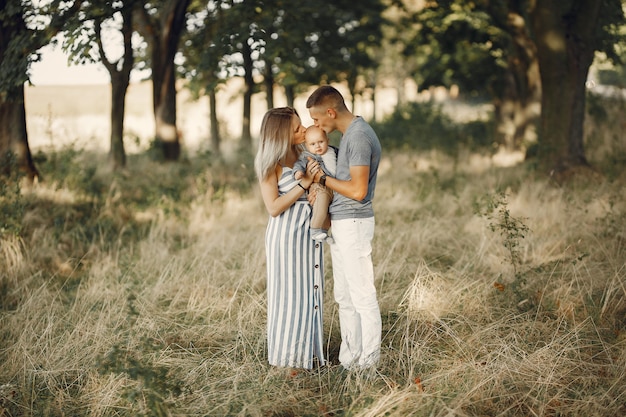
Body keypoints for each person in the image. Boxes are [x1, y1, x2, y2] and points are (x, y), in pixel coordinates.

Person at [306, 85, 382, 370]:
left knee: (362, 294)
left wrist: (323, 180)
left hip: (354, 221)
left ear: (330, 112)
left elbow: (359, 190)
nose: (316, 126)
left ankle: (369, 365)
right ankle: (350, 361)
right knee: (344, 296)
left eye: (316, 120)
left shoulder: (359, 136)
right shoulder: (349, 136)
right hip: (341, 222)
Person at [254, 106, 326, 370]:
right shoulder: (268, 164)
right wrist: (303, 185)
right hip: (285, 239)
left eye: (301, 124)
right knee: (289, 297)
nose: (304, 129)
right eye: (297, 128)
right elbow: (273, 208)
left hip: (308, 235)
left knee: (311, 292)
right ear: (281, 134)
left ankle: (310, 356)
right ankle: (288, 360)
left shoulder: (303, 154)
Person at [293, 125, 337, 243]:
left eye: (321, 142)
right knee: (321, 207)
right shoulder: (308, 156)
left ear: (327, 140)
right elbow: (299, 164)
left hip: (335, 187)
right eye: (312, 144)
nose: (317, 146)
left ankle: (324, 232)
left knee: (330, 211)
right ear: (307, 146)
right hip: (320, 187)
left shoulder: (334, 151)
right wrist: (298, 172)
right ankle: (315, 229)